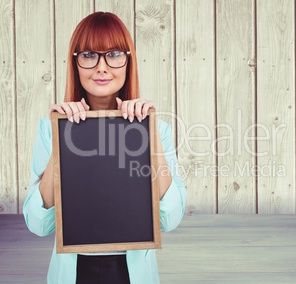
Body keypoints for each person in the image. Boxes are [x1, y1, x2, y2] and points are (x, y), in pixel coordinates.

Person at [23, 12, 187, 284]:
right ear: (75, 63)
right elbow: (39, 224)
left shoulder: (158, 131)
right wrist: (62, 133)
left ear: (128, 62)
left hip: (133, 271)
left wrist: (150, 130)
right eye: (89, 54)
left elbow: (169, 219)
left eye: (113, 54)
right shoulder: (49, 129)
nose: (101, 67)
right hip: (72, 272)